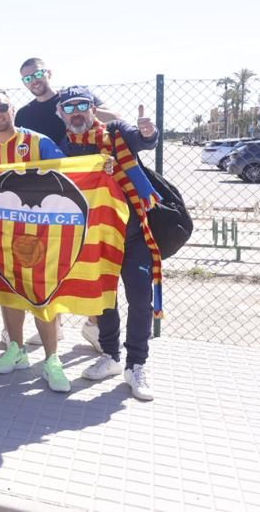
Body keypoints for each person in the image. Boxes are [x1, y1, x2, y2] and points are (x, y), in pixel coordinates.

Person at [58, 86, 160, 401]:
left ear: (93, 108)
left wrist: (148, 132)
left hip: (132, 231)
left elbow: (142, 139)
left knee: (141, 298)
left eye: (82, 105)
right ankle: (112, 356)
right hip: (95, 234)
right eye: (69, 107)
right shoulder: (65, 147)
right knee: (102, 298)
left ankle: (136, 364)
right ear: (61, 113)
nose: (77, 112)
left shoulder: (115, 132)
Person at [0, 89, 71, 393]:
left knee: (42, 299)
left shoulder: (38, 142)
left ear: (12, 109)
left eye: (2, 107)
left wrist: (100, 168)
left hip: (41, 236)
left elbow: (70, 176)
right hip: (1, 237)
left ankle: (52, 361)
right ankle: (17, 350)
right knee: (9, 295)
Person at [14, 58, 117, 144]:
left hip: (83, 160)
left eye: (38, 74)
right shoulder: (23, 114)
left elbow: (115, 118)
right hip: (46, 167)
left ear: (49, 74)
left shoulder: (75, 96)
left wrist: (77, 110)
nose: (34, 81)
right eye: (27, 79)